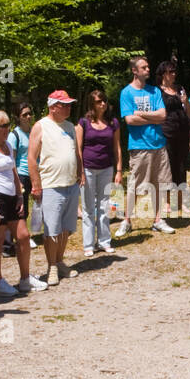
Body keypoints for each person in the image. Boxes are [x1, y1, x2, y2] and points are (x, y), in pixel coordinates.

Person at [0, 111, 45, 295]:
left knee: (23, 236)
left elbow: (13, 171)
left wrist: (19, 194)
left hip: (11, 196)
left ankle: (25, 278)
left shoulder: (7, 144)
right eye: (2, 126)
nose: (7, 129)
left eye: (8, 125)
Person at [29, 89, 83, 284]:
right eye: (64, 105)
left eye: (70, 104)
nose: (69, 108)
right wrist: (36, 184)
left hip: (70, 183)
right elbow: (31, 158)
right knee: (51, 229)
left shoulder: (70, 126)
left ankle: (60, 261)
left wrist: (80, 172)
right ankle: (51, 265)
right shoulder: (41, 126)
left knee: (65, 228)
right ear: (53, 107)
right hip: (51, 185)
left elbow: (76, 152)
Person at [116, 56, 172, 237]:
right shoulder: (127, 93)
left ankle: (158, 220)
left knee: (159, 184)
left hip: (159, 144)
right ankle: (127, 220)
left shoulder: (154, 91)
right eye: (144, 67)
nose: (148, 70)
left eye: (148, 67)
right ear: (135, 70)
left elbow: (163, 115)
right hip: (140, 146)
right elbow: (130, 120)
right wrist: (151, 116)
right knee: (135, 185)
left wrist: (142, 113)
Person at [76, 89, 122, 256]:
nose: (102, 104)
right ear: (92, 104)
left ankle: (104, 241)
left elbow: (117, 147)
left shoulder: (113, 123)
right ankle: (88, 244)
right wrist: (80, 170)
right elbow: (78, 148)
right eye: (98, 101)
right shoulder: (83, 122)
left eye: (104, 101)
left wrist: (118, 170)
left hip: (106, 168)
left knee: (104, 205)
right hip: (88, 168)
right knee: (88, 208)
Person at [155, 60, 190, 219]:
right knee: (168, 167)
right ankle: (168, 202)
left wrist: (186, 102)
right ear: (163, 74)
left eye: (174, 71)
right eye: (170, 71)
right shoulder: (157, 91)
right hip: (167, 133)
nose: (173, 74)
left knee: (181, 167)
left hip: (182, 133)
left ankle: (182, 202)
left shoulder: (180, 89)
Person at [10, 101, 35, 250]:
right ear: (18, 117)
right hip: (22, 174)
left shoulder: (34, 131)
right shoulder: (15, 135)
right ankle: (23, 236)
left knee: (37, 206)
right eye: (24, 114)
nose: (28, 116)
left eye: (29, 113)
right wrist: (17, 180)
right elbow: (11, 160)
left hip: (35, 173)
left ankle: (32, 232)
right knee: (22, 207)